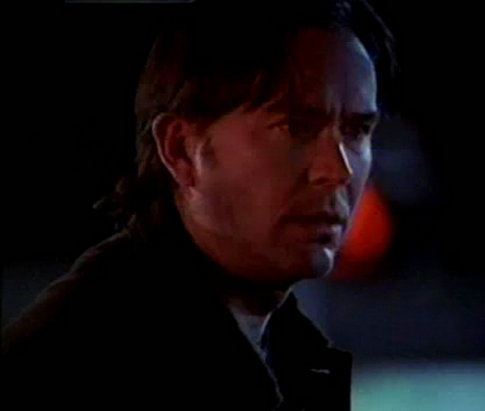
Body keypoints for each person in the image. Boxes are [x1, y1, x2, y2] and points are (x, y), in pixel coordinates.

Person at [2, 1, 394, 409]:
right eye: (294, 127)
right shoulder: (77, 361)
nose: (338, 169)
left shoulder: (286, 349)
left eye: (357, 130)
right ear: (181, 150)